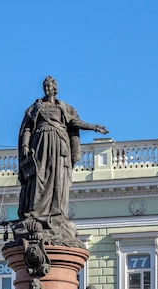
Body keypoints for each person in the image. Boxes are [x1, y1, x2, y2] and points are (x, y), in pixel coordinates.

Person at [18, 76, 108, 233]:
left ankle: (56, 212)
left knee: (57, 177)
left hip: (59, 145)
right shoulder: (35, 107)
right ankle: (35, 212)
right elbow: (27, 128)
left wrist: (93, 127)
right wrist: (25, 145)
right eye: (44, 86)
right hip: (40, 144)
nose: (47, 89)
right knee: (39, 177)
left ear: (55, 88)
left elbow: (74, 122)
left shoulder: (63, 107)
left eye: (49, 86)